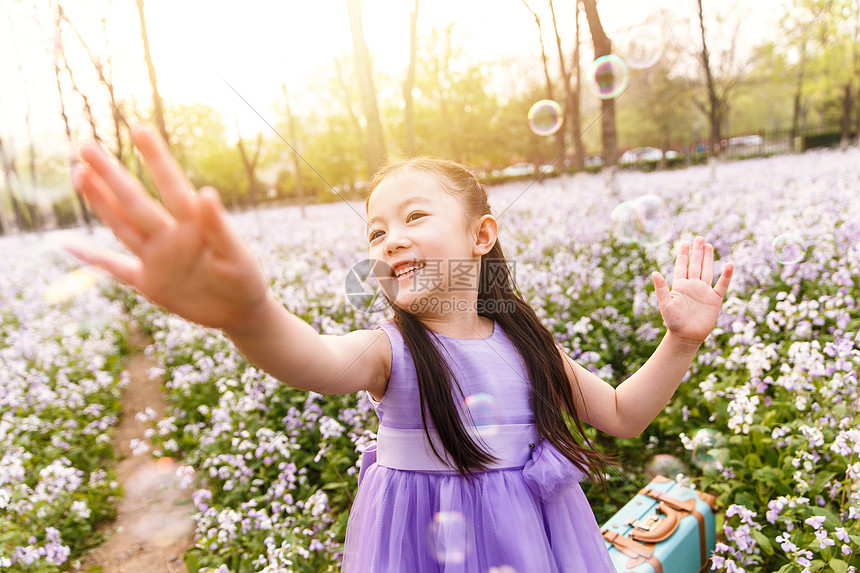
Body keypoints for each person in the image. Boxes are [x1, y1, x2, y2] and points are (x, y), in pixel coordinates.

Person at [68, 124, 734, 572]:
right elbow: (310, 358)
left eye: (414, 217)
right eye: (375, 231)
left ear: (481, 236)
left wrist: (680, 341)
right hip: (419, 547)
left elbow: (622, 413)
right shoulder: (388, 352)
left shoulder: (529, 343)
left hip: (533, 542)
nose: (388, 240)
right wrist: (249, 314)